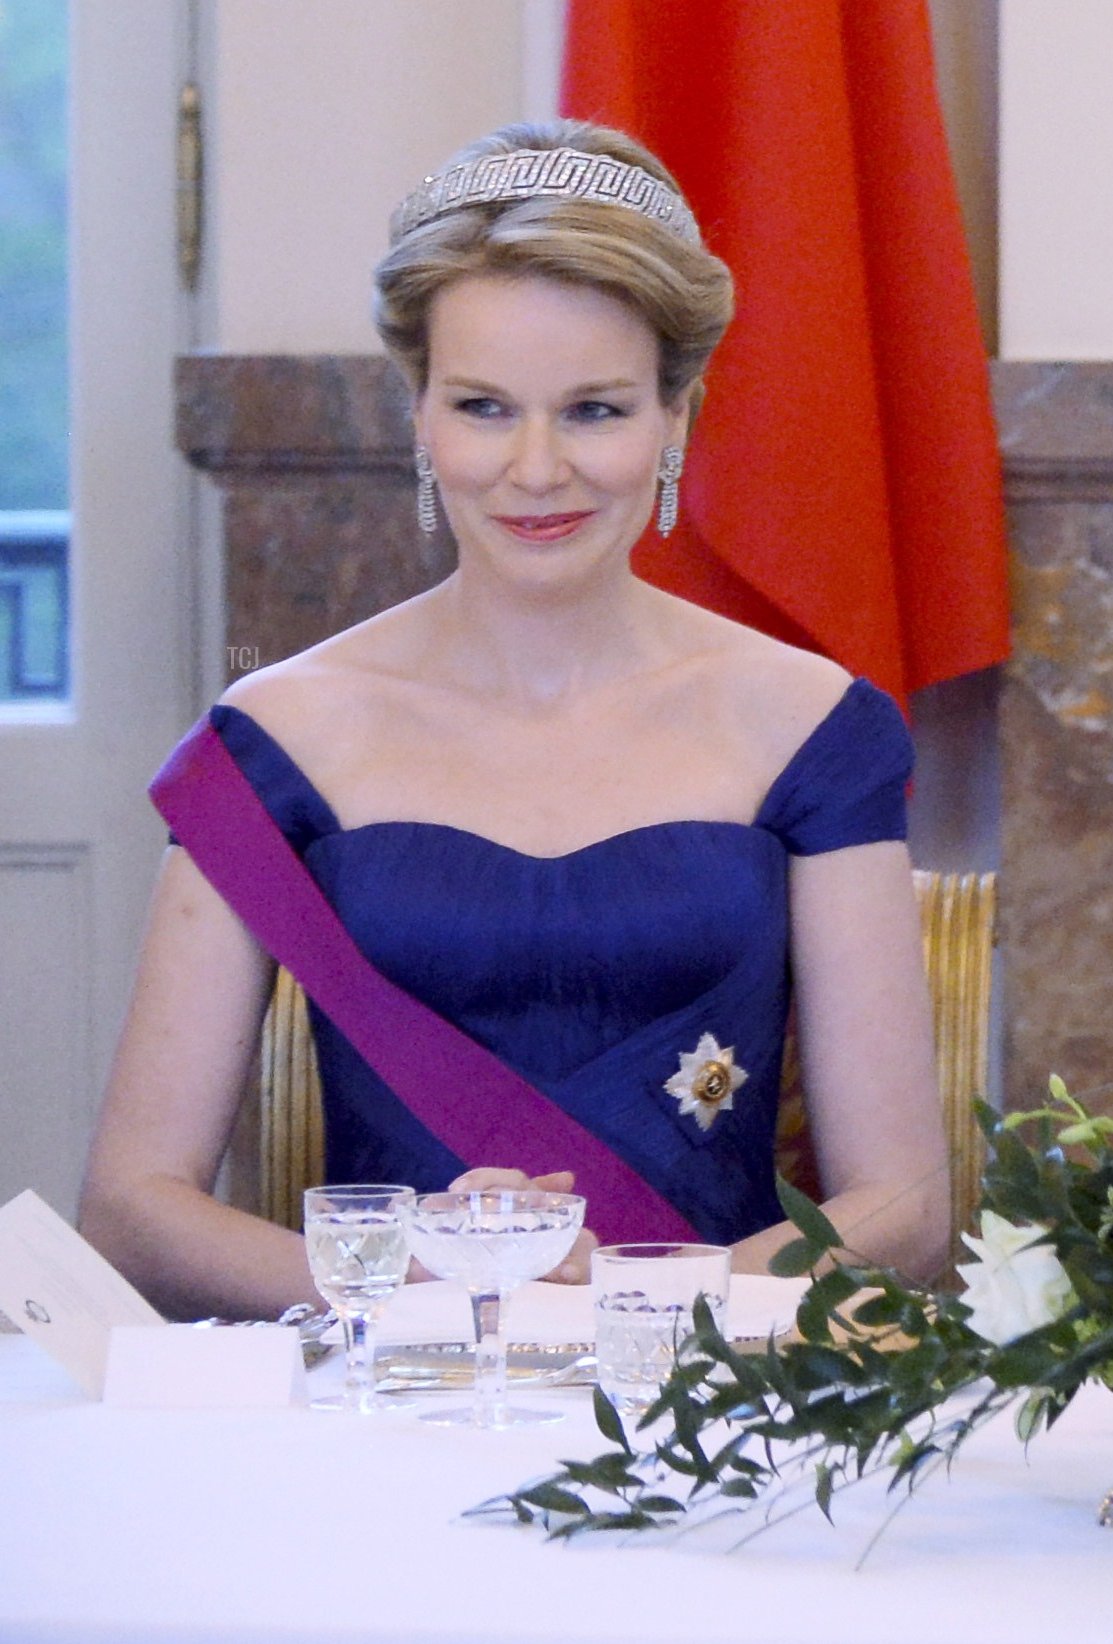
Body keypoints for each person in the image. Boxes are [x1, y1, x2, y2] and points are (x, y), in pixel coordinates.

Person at [79, 119, 948, 1320]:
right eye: (485, 407)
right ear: (419, 416)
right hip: (376, 1405)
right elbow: (132, 1205)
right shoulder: (275, 738)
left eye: (594, 410)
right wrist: (408, 1291)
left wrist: (643, 1300)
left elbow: (903, 1206)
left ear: (677, 415)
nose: (536, 471)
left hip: (710, 1407)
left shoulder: (811, 726)